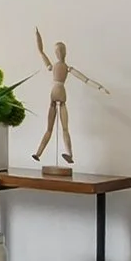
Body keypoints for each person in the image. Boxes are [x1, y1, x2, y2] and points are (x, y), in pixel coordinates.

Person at [32, 29, 106, 171]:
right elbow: (41, 52)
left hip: (56, 93)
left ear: (64, 53)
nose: (59, 53)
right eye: (58, 51)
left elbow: (85, 79)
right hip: (58, 94)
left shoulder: (60, 67)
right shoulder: (63, 67)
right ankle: (40, 153)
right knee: (57, 128)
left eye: (60, 51)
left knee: (58, 128)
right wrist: (38, 36)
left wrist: (99, 87)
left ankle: (61, 154)